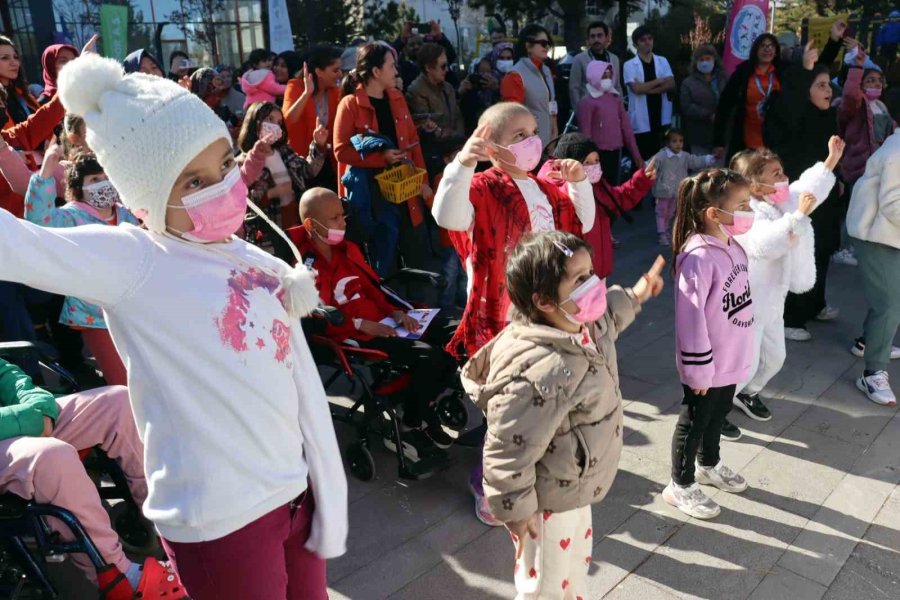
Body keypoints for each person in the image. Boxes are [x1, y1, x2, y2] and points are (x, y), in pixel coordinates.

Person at [0, 52, 349, 598]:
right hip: (221, 520)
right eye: (192, 180)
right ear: (144, 195)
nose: (220, 187)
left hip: (292, 494)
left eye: (225, 166)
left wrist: (321, 482)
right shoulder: (134, 259)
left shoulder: (240, 252)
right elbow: (16, 244)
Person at [464, 231, 663, 599]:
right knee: (545, 583)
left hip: (572, 486)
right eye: (580, 279)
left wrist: (637, 294)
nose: (594, 285)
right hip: (544, 506)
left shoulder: (579, 323)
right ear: (542, 300)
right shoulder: (539, 370)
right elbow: (507, 449)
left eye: (591, 273)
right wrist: (517, 512)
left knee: (573, 567)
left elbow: (609, 322)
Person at [432, 102, 595, 526]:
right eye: (518, 135)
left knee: (542, 404)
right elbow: (447, 215)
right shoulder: (482, 186)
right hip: (499, 318)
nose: (532, 142)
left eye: (534, 131)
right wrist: (463, 162)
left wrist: (579, 185)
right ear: (491, 143)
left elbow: (583, 224)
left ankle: (528, 475)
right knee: (505, 410)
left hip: (545, 317)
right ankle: (487, 481)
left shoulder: (546, 188)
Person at [291, 187, 457, 461]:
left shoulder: (348, 249)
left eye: (342, 216)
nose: (343, 223)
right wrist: (361, 324)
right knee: (430, 358)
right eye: (335, 219)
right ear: (311, 225)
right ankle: (412, 421)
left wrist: (397, 311)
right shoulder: (303, 267)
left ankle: (418, 407)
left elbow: (374, 289)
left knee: (453, 335)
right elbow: (316, 314)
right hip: (352, 334)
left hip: (384, 321)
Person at [0, 361, 187, 598]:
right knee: (50, 456)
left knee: (119, 403)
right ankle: (123, 580)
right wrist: (28, 418)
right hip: (15, 426)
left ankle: (174, 533)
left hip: (15, 419)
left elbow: (3, 371)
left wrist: (36, 405)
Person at [728, 141, 842, 429]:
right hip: (749, 302)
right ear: (754, 185)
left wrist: (830, 161)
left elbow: (807, 188)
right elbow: (764, 244)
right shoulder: (747, 212)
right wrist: (799, 218)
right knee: (745, 364)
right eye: (775, 174)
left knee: (775, 358)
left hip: (773, 301)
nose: (784, 178)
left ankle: (746, 394)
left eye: (782, 171)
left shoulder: (780, 201)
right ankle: (714, 411)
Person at [664, 168, 754, 519]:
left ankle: (708, 464)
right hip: (706, 363)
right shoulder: (698, 257)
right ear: (714, 213)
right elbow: (690, 318)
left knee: (718, 416)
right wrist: (697, 369)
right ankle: (680, 484)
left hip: (730, 357)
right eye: (742, 204)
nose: (750, 210)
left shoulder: (733, 245)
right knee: (694, 422)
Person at [23, 148, 140, 386]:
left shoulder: (127, 215)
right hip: (95, 316)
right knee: (123, 384)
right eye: (95, 180)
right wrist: (45, 171)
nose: (103, 184)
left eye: (106, 176)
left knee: (145, 376)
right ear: (79, 188)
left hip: (133, 309)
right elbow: (38, 221)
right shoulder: (71, 217)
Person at [764, 40, 844, 342]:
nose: (828, 90)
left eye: (828, 85)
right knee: (801, 252)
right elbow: (790, 104)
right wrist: (805, 70)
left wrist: (838, 179)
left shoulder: (826, 116)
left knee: (822, 250)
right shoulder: (792, 115)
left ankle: (815, 304)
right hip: (801, 197)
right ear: (804, 90)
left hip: (824, 197)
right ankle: (791, 317)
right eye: (821, 85)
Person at [334, 42, 433, 277]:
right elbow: (341, 151)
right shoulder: (349, 104)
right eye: (391, 66)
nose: (396, 71)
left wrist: (423, 182)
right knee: (383, 266)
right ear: (376, 72)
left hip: (406, 190)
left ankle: (422, 310)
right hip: (373, 198)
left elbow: (413, 142)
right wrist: (382, 158)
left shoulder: (397, 97)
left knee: (417, 260)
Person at [715, 21, 846, 161]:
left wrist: (834, 39)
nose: (767, 49)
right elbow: (725, 106)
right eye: (763, 46)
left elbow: (817, 70)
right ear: (755, 49)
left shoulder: (784, 71)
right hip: (747, 140)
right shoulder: (743, 73)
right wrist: (718, 142)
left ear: (776, 50)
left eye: (771, 46)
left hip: (778, 138)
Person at [538, 132, 655, 279]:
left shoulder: (598, 186)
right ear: (570, 163)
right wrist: (577, 183)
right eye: (587, 162)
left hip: (599, 272)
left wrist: (642, 180)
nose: (594, 166)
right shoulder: (560, 190)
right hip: (577, 277)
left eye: (596, 160)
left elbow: (619, 198)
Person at [847, 129, 900, 406]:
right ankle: (873, 373)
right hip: (876, 233)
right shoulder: (898, 150)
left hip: (889, 234)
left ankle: (867, 340)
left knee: (888, 294)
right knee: (890, 303)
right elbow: (893, 204)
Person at [238, 101, 326, 242]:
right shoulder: (244, 161)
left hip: (295, 223)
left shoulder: (284, 151)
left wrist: (318, 145)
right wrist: (272, 193)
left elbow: (308, 171)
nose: (275, 126)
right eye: (270, 119)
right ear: (255, 121)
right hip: (268, 233)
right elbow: (243, 202)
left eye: (279, 122)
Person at [283, 45, 343, 189]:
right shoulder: (295, 86)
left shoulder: (336, 91)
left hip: (329, 162)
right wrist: (306, 93)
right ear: (318, 72)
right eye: (335, 70)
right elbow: (288, 121)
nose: (340, 74)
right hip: (303, 163)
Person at [576, 59, 643, 185]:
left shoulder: (615, 98)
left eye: (609, 76)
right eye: (603, 76)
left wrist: (636, 154)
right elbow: (585, 135)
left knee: (614, 187)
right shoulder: (586, 102)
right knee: (598, 189)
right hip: (597, 155)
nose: (607, 79)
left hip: (616, 151)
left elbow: (626, 127)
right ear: (594, 76)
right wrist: (588, 159)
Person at [406, 43, 466, 176]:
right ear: (428, 68)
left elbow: (457, 117)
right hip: (436, 157)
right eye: (443, 66)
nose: (447, 70)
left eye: (447, 65)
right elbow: (427, 128)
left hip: (455, 149)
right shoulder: (415, 91)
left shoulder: (448, 88)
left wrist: (461, 145)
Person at [651, 129, 716, 246]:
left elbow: (695, 161)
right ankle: (661, 233)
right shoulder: (661, 156)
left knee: (670, 212)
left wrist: (709, 158)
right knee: (661, 212)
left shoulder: (684, 156)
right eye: (674, 141)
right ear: (667, 143)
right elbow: (651, 164)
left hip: (677, 191)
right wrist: (646, 169)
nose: (678, 144)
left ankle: (665, 230)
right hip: (663, 190)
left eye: (680, 141)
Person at [623, 26, 675, 162]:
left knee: (664, 159)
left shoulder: (662, 61)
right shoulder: (629, 65)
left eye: (649, 39)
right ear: (635, 44)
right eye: (642, 40)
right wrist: (659, 81)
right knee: (645, 161)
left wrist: (647, 89)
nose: (647, 42)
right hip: (642, 122)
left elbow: (671, 84)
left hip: (661, 117)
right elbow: (636, 89)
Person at [500, 24, 558, 146]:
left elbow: (551, 105)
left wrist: (554, 135)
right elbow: (513, 116)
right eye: (543, 43)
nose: (547, 47)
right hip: (527, 145)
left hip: (548, 142)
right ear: (528, 46)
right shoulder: (514, 75)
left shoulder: (547, 71)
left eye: (548, 43)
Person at [679, 45, 727, 156]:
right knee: (701, 171)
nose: (705, 62)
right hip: (699, 136)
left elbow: (732, 99)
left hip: (723, 135)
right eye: (701, 60)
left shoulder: (723, 78)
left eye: (708, 59)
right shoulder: (688, 82)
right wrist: (709, 115)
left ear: (714, 60)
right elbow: (687, 106)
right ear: (695, 62)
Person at [569, 20, 622, 106]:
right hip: (589, 110)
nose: (596, 39)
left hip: (610, 108)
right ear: (588, 39)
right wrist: (579, 112)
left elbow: (617, 86)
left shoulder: (614, 59)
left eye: (599, 35)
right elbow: (574, 88)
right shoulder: (579, 59)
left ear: (606, 37)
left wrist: (620, 109)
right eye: (592, 36)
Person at [459, 57, 501, 134]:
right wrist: (461, 92)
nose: (485, 75)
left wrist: (496, 90)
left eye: (488, 71)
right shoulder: (470, 89)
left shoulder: (499, 87)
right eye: (481, 71)